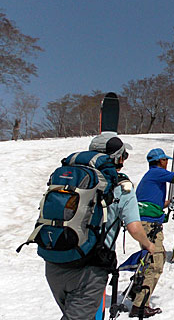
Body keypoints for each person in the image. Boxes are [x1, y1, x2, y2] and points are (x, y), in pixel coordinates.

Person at [45, 133, 155, 320]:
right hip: (90, 267)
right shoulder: (121, 187)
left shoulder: (68, 179)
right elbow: (134, 228)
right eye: (124, 155)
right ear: (118, 158)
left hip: (54, 260)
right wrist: (148, 245)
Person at [132, 148, 174, 318]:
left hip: (147, 222)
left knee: (150, 259)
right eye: (165, 160)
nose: (167, 162)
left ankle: (137, 291)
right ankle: (140, 305)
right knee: (155, 263)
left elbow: (152, 202)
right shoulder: (157, 173)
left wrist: (170, 203)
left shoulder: (151, 176)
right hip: (149, 225)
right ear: (160, 161)